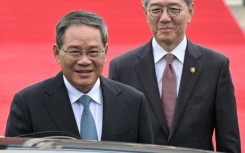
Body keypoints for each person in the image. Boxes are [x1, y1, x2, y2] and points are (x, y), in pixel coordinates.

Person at [108, 0, 241, 152]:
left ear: (190, 12)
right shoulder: (122, 68)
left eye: (173, 9)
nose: (164, 18)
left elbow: (229, 141)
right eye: (156, 9)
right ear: (145, 13)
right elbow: (114, 138)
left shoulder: (215, 67)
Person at [5, 10, 154, 144]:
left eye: (93, 52)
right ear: (57, 53)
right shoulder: (28, 104)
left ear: (105, 52)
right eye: (75, 52)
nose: (84, 61)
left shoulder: (133, 102)